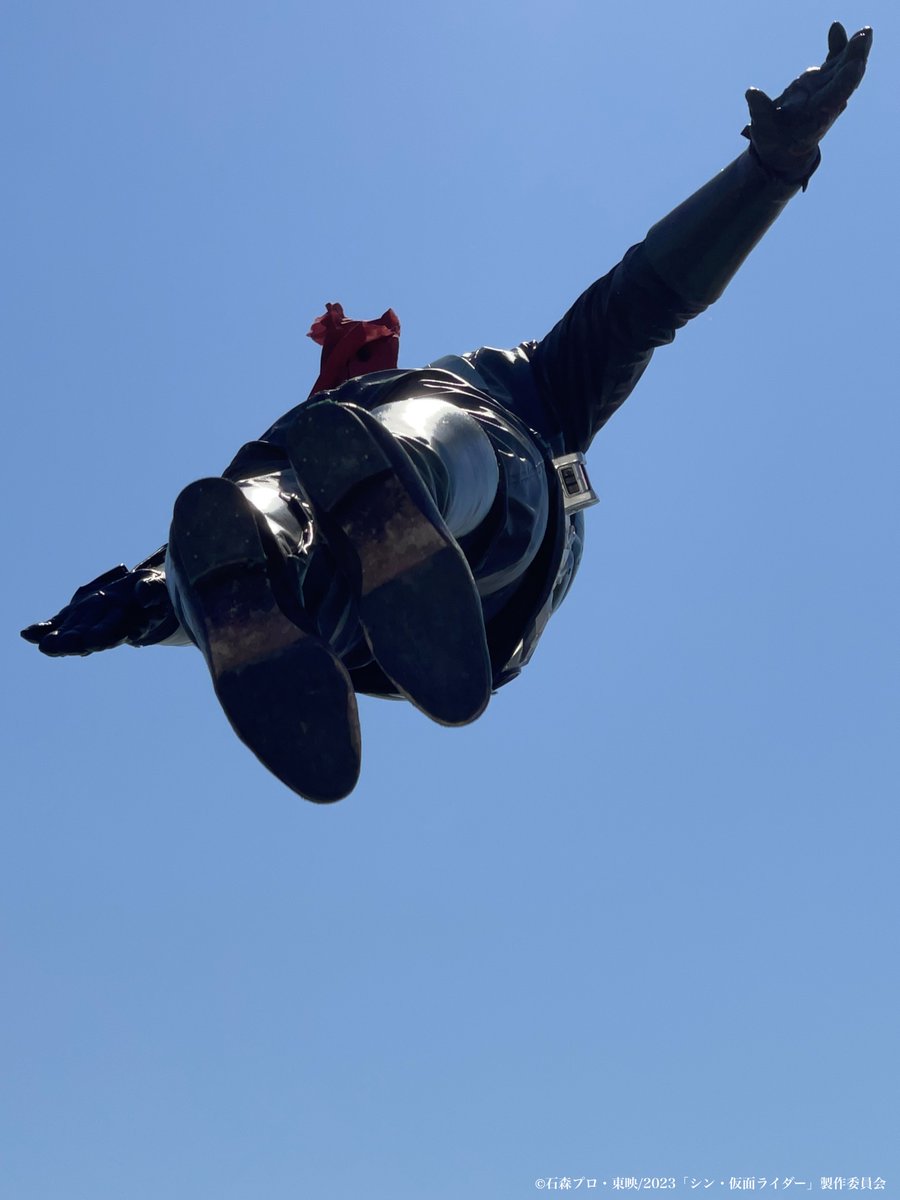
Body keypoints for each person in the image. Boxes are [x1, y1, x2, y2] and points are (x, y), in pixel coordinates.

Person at [22, 22, 872, 803]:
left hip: (485, 555)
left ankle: (396, 492)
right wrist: (154, 593)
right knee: (277, 518)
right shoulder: (336, 432)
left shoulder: (539, 391)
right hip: (368, 627)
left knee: (456, 443)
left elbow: (647, 294)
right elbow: (217, 546)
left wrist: (770, 168)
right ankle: (292, 563)